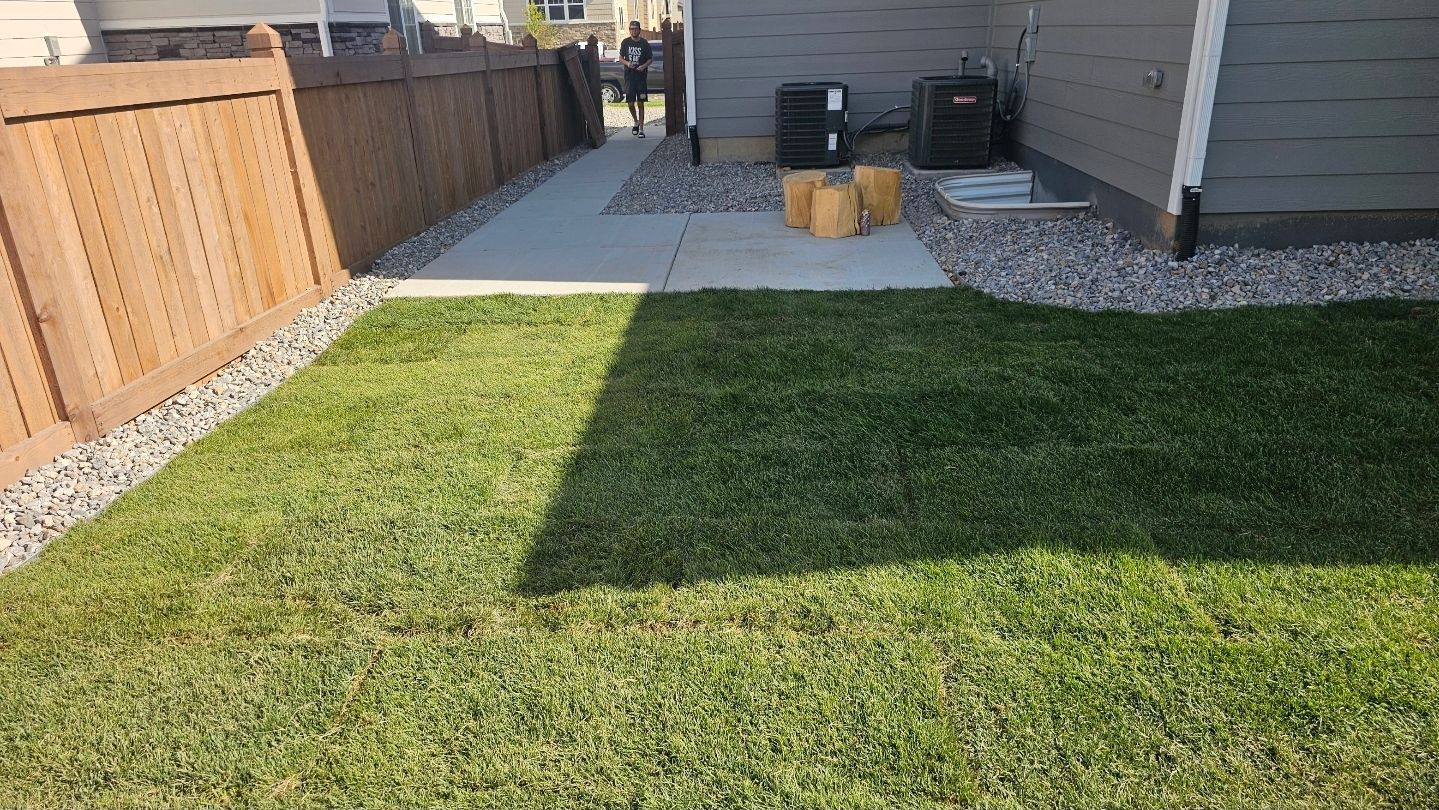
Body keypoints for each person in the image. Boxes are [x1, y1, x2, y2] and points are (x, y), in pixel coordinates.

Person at [618, 21, 654, 138]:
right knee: (630, 103)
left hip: (641, 78)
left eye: (635, 29)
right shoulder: (625, 42)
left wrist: (643, 66)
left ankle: (642, 129)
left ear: (639, 30)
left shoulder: (644, 43)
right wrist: (627, 63)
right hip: (629, 78)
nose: (633, 31)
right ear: (629, 30)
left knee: (641, 103)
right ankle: (636, 121)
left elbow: (650, 59)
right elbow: (620, 58)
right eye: (631, 29)